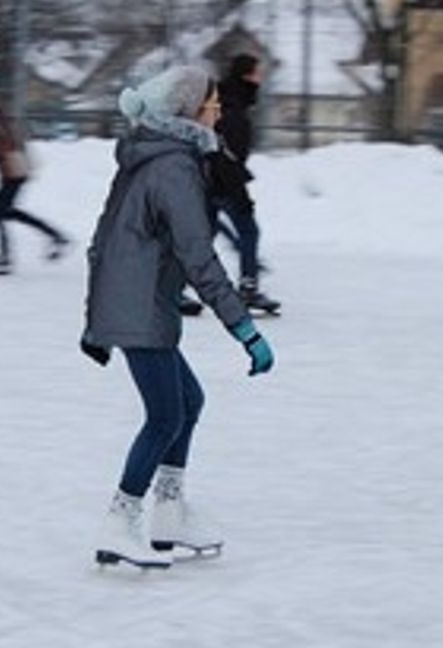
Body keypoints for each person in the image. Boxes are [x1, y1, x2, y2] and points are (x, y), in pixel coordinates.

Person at [81, 65, 275, 568]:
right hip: (138, 303)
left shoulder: (161, 158)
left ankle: (168, 512)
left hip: (139, 299)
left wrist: (98, 310)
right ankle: (120, 520)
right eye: (213, 104)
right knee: (165, 415)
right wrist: (244, 328)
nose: (219, 111)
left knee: (188, 400)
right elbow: (199, 257)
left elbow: (107, 239)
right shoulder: (174, 168)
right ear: (191, 112)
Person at [0, 59, 70, 275]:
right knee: (4, 210)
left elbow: (2, 134)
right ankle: (53, 237)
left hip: (14, 168)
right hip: (14, 168)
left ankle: (8, 257)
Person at [207, 53, 280, 313]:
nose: (260, 78)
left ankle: (171, 289)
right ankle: (248, 288)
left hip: (211, 179)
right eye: (257, 73)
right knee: (248, 231)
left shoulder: (223, 99)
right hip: (223, 182)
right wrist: (238, 193)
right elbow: (228, 155)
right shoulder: (234, 107)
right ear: (246, 75)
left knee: (204, 236)